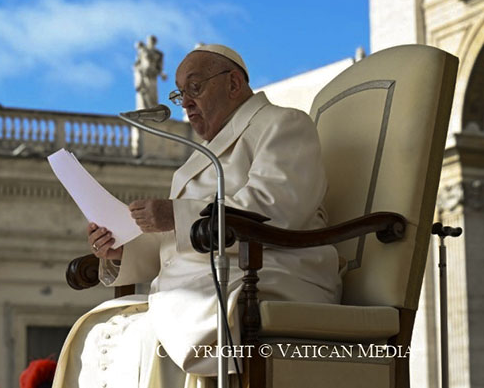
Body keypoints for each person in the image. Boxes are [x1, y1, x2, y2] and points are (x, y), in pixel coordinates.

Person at [53, 44, 342, 388]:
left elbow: (276, 208)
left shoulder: (282, 124)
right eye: (180, 94)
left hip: (270, 278)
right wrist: (122, 250)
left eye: (195, 87)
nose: (186, 102)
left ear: (234, 84)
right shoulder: (198, 158)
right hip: (202, 287)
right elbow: (175, 245)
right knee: (99, 330)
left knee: (146, 338)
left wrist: (175, 215)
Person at [134, 35, 168, 110]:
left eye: (153, 40)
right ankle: (144, 109)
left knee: (153, 95)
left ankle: (152, 111)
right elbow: (137, 64)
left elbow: (159, 67)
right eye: (150, 40)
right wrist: (138, 77)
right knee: (144, 92)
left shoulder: (159, 54)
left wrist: (162, 74)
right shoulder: (143, 51)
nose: (151, 42)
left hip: (153, 75)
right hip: (144, 74)